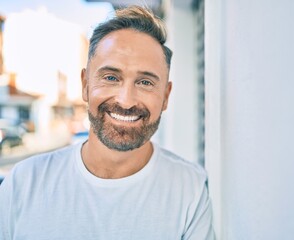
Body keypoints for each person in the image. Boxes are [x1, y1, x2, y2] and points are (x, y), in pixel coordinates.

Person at [0, 5, 215, 240]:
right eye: (111, 78)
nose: (126, 101)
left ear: (165, 96)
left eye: (145, 82)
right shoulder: (24, 183)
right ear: (85, 85)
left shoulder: (190, 189)